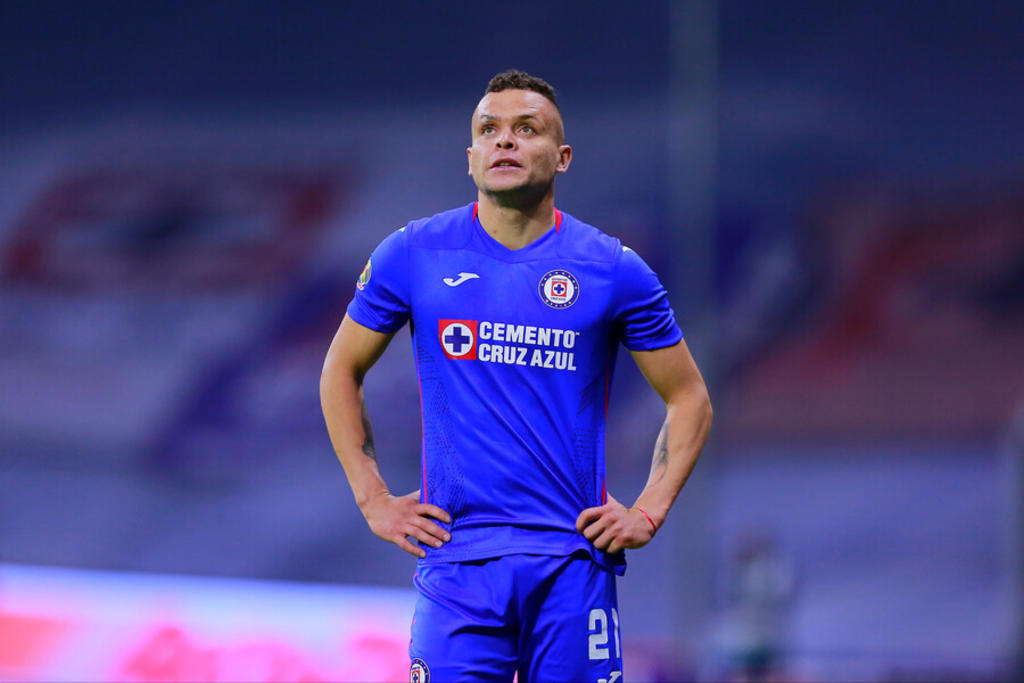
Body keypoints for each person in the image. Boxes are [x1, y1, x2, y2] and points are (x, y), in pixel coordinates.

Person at [320, 69, 712, 682]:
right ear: (471, 157)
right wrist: (373, 499)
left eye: (527, 129)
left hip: (572, 563)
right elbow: (341, 369)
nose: (504, 140)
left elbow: (689, 396)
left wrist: (648, 512)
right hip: (457, 564)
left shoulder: (613, 269)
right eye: (489, 130)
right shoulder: (414, 253)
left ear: (562, 157)